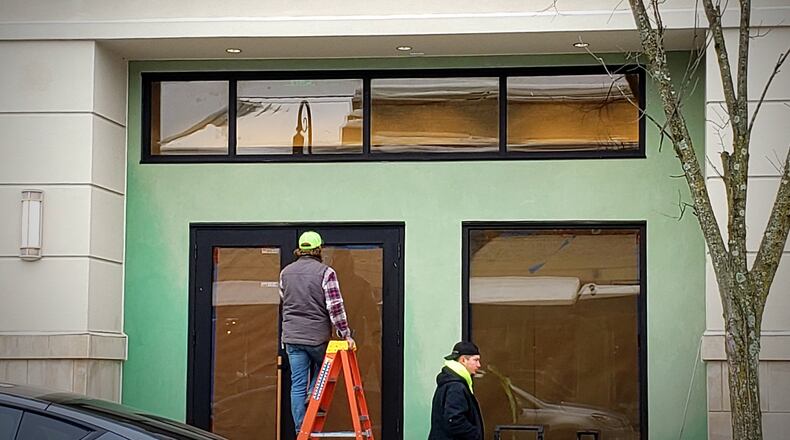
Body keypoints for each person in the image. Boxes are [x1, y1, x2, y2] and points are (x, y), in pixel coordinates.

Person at [279, 231, 356, 432]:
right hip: (315, 337)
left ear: (300, 249)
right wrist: (345, 334)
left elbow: (285, 300)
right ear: (318, 248)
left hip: (292, 337)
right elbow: (335, 307)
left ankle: (300, 429)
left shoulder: (285, 273)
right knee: (325, 366)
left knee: (297, 384)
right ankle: (313, 394)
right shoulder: (325, 273)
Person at [428, 341, 484, 440]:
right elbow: (454, 419)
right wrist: (475, 434)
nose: (479, 365)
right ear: (463, 360)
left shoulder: (449, 382)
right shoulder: (456, 386)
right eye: (475, 360)